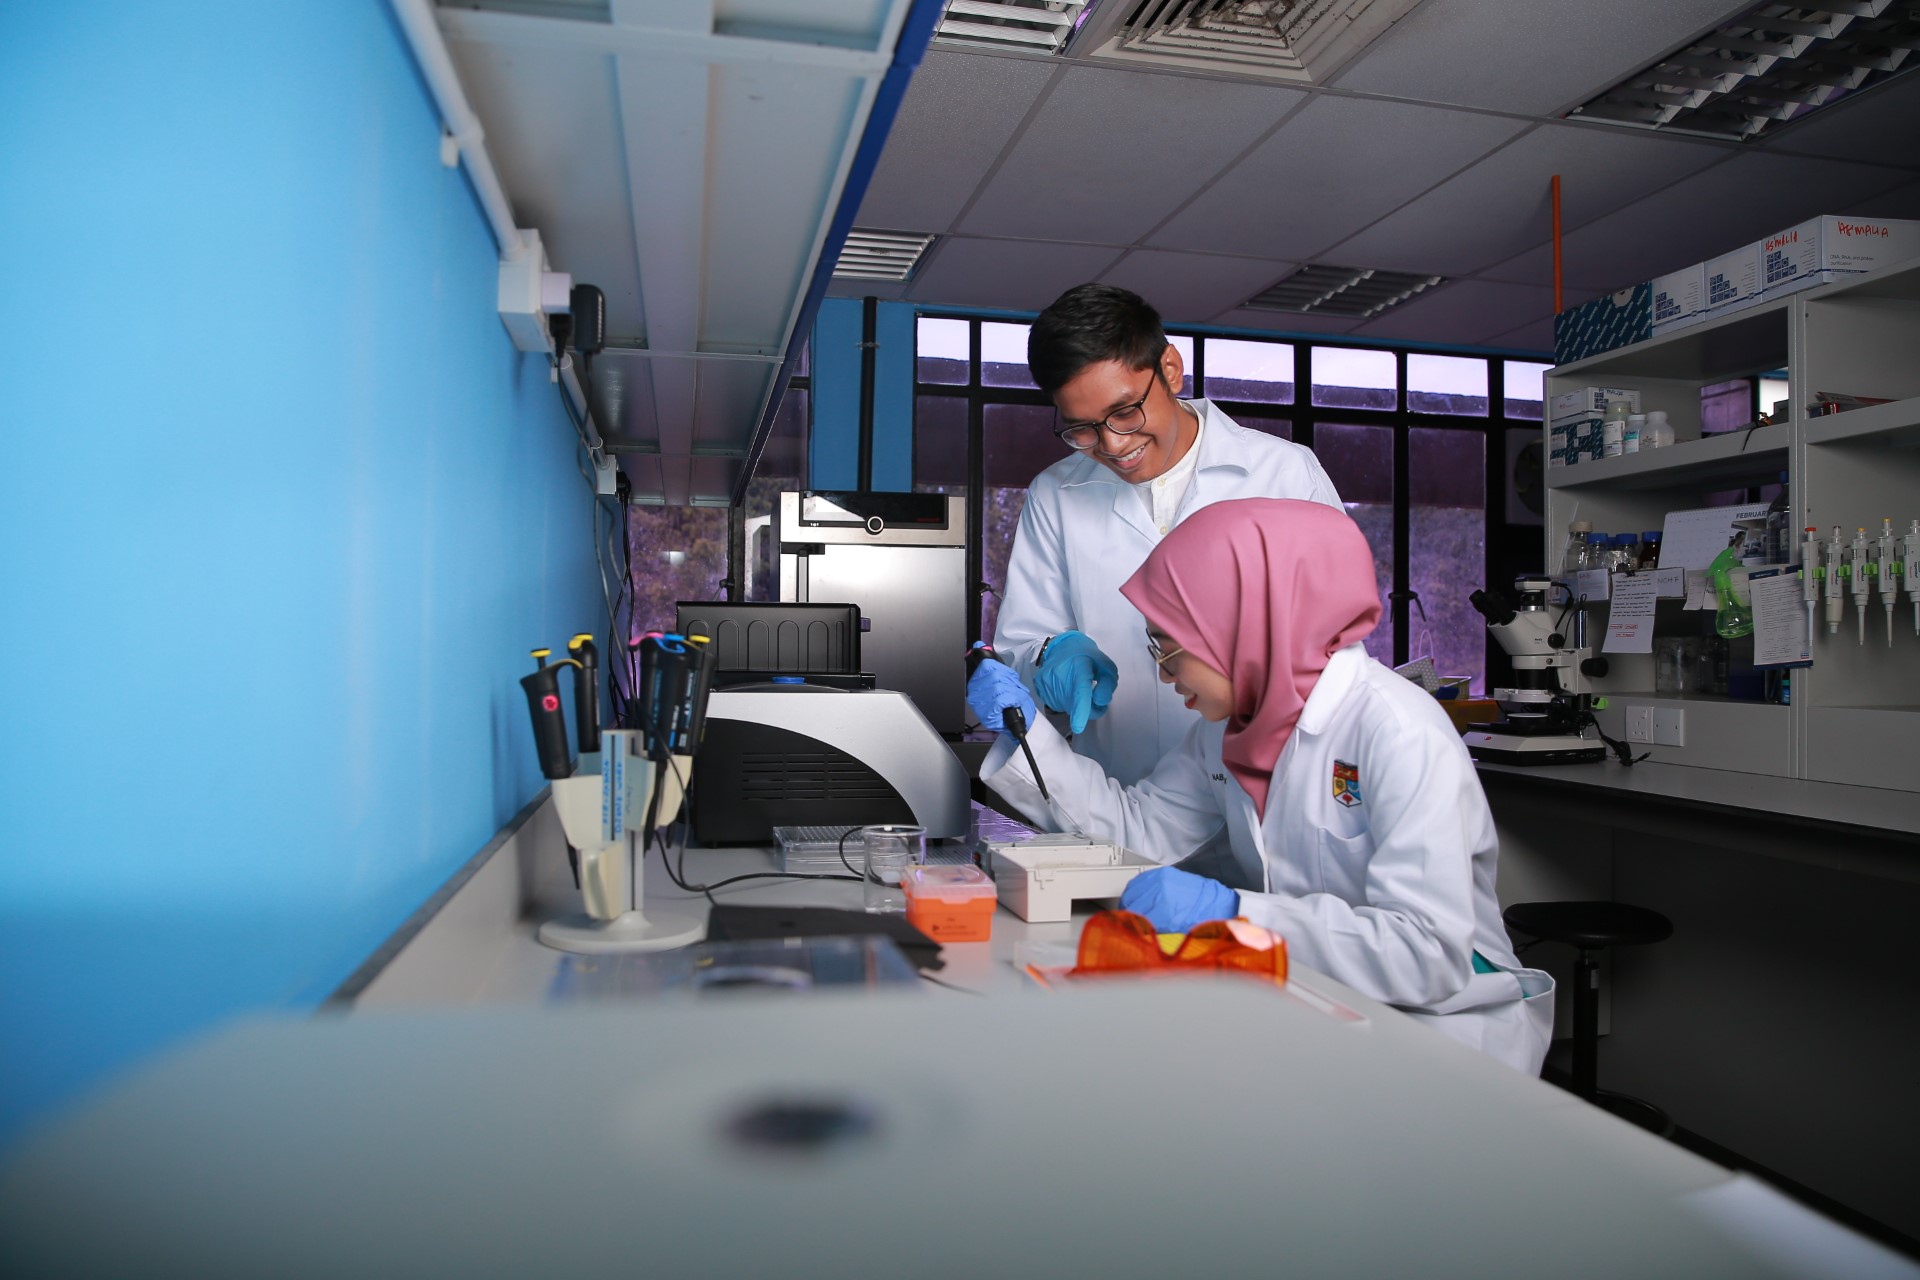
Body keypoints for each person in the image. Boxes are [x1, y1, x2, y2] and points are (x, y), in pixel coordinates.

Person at [968, 499, 1554, 1075]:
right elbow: (1135, 834)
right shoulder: (1228, 728)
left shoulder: (1399, 730)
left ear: (1241, 629)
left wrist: (1234, 913)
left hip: (1445, 1036)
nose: (1163, 673)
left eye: (1168, 647)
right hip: (1323, 1006)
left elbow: (1425, 954)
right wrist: (1028, 733)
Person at [992, 285, 1342, 789]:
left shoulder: (1283, 473)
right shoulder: (1056, 493)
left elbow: (1335, 640)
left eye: (1125, 412)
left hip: (1268, 790)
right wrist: (1051, 658)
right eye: (1083, 429)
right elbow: (1023, 644)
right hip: (1117, 793)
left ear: (1171, 369)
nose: (1114, 445)